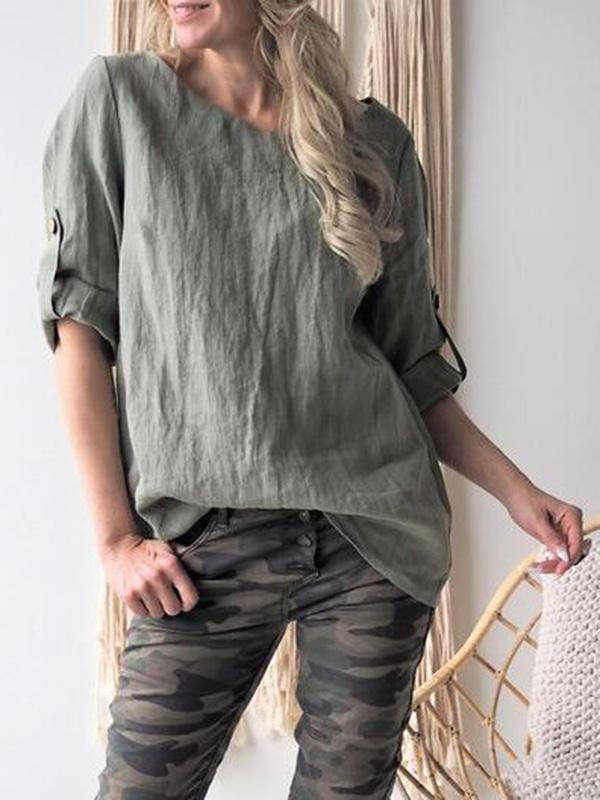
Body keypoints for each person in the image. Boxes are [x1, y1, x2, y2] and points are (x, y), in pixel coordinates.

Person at [35, 1, 585, 798]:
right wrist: (116, 538)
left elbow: (411, 365)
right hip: (202, 543)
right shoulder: (121, 103)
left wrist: (519, 493)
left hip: (373, 538)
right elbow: (78, 330)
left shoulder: (375, 143)